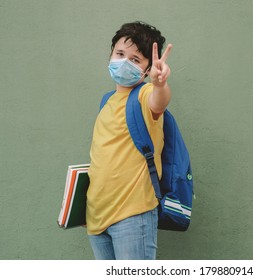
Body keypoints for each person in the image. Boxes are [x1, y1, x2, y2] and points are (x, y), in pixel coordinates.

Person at [86, 21, 173, 260]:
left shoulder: (144, 96)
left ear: (146, 70)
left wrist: (160, 83)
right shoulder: (107, 101)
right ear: (111, 54)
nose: (124, 62)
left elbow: (160, 101)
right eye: (120, 54)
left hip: (132, 217)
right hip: (96, 219)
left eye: (135, 59)